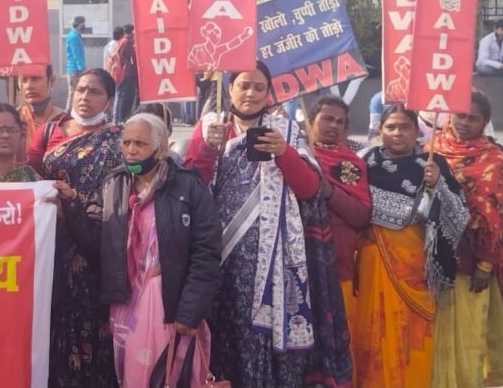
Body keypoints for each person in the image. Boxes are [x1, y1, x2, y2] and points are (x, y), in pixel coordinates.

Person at [184, 62, 351, 387]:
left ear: (268, 93)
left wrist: (283, 153)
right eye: (243, 85)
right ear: (230, 89)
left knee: (256, 334)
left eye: (258, 87)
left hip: (268, 260)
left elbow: (310, 190)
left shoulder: (284, 130)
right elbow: (189, 187)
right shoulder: (210, 126)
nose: (250, 93)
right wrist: (206, 149)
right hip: (214, 254)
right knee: (217, 331)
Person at [60, 113, 221, 387]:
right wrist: (73, 202)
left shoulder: (188, 186)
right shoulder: (114, 185)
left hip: (170, 305)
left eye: (140, 144)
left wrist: (190, 310)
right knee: (132, 376)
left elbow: (206, 251)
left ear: (161, 147)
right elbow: (95, 242)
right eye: (126, 143)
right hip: (126, 304)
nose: (131, 150)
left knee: (170, 376)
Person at [354, 104, 469, 388]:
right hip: (372, 259)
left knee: (413, 333)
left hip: (415, 266)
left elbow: (459, 214)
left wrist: (438, 184)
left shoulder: (432, 163)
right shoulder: (363, 161)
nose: (397, 133)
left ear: (416, 130)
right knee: (371, 327)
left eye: (404, 127)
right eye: (390, 127)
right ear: (380, 130)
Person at [27, 68, 121, 388]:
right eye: (81, 89)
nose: (85, 97)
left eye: (95, 92)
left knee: (93, 323)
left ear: (109, 99)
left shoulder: (119, 138)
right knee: (51, 320)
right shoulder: (49, 131)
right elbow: (27, 178)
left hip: (96, 246)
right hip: (51, 245)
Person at [431, 91, 503, 387]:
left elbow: (499, 216)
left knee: (469, 332)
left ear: (484, 122)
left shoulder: (496, 159)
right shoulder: (430, 149)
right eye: (460, 115)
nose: (464, 122)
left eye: (473, 118)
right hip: (433, 256)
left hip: (472, 259)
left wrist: (486, 264)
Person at [307, 95, 372, 367]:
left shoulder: (352, 163)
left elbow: (361, 215)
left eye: (340, 122)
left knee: (338, 348)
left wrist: (330, 192)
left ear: (346, 129)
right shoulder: (294, 154)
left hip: (338, 267)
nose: (333, 126)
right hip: (300, 268)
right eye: (327, 119)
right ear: (310, 121)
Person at [17, 65, 64, 155]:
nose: (29, 86)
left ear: (51, 80)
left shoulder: (65, 121)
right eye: (24, 80)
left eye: (35, 78)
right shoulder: (14, 120)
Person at [114, 24, 139, 122]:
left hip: (123, 72)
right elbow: (132, 56)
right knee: (127, 95)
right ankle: (123, 117)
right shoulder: (127, 42)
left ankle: (119, 117)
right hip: (128, 72)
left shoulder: (121, 41)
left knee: (121, 94)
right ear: (131, 31)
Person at [65, 16, 87, 111]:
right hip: (74, 69)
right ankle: (68, 112)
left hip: (75, 69)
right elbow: (76, 54)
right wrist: (82, 68)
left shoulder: (75, 35)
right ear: (80, 24)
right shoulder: (74, 36)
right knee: (73, 92)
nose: (84, 25)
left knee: (75, 91)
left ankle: (72, 111)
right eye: (84, 23)